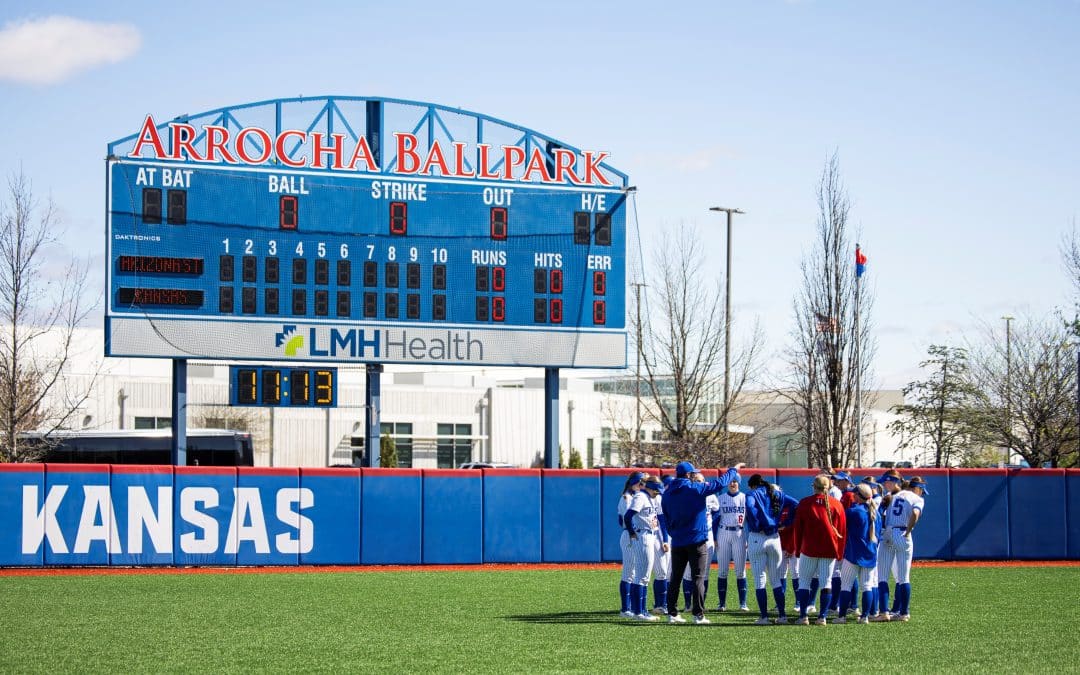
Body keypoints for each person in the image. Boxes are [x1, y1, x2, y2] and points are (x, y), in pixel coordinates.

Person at [661, 461, 744, 624]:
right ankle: (698, 615)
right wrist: (734, 470)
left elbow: (666, 517)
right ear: (688, 475)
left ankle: (672, 613)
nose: (693, 475)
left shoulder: (667, 492)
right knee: (698, 577)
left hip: (678, 541)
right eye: (692, 473)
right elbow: (720, 483)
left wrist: (673, 533)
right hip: (696, 541)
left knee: (675, 577)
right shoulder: (694, 488)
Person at [745, 473, 799, 625]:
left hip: (757, 537)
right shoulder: (777, 493)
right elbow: (796, 504)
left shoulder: (752, 493)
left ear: (753, 485)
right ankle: (782, 616)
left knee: (759, 580)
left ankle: (764, 617)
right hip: (774, 537)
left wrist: (757, 523)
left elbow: (749, 506)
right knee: (776, 579)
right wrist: (786, 522)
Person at [793, 474, 847, 625]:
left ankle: (803, 616)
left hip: (808, 549)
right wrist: (840, 552)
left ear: (813, 487)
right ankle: (822, 617)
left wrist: (797, 550)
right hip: (829, 550)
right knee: (826, 583)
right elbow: (842, 531)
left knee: (804, 582)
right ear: (828, 487)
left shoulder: (805, 503)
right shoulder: (837, 504)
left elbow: (798, 530)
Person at [873, 475, 928, 622]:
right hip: (902, 532)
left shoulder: (893, 495)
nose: (922, 493)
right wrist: (909, 530)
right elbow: (916, 513)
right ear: (918, 488)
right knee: (903, 578)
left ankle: (884, 612)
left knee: (882, 576)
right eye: (922, 491)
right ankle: (904, 613)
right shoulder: (917, 498)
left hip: (888, 533)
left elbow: (880, 515)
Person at [834, 483, 881, 623]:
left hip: (854, 554)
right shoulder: (875, 513)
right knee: (867, 586)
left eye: (855, 494)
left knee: (846, 585)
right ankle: (865, 616)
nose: (852, 495)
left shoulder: (853, 511)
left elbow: (840, 527)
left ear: (859, 496)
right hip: (870, 553)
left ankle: (842, 616)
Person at [624, 475, 667, 621]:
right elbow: (627, 516)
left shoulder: (654, 498)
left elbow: (660, 519)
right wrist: (631, 532)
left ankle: (641, 611)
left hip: (652, 535)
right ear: (649, 487)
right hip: (643, 535)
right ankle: (639, 612)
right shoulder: (640, 497)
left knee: (644, 576)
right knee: (642, 576)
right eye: (656, 490)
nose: (657, 492)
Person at [681, 473, 718, 611]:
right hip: (691, 535)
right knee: (688, 572)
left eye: (701, 480)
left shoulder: (711, 496)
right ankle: (688, 604)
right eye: (696, 480)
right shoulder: (688, 494)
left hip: (707, 535)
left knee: (704, 572)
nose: (699, 482)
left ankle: (701, 604)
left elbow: (717, 511)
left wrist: (710, 523)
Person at [872, 470, 904, 619]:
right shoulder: (908, 496)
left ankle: (885, 610)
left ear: (893, 481)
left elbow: (880, 520)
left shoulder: (889, 497)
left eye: (886, 481)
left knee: (884, 575)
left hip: (887, 536)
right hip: (903, 536)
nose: (884, 484)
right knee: (900, 577)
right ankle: (897, 610)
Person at [714, 477, 748, 611]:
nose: (733, 483)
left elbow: (750, 520)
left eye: (735, 481)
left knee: (740, 571)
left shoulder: (745, 498)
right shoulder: (720, 498)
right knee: (722, 570)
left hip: (739, 533)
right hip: (723, 533)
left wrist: (749, 538)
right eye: (731, 481)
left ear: (739, 483)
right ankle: (722, 604)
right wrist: (715, 537)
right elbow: (716, 519)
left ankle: (743, 604)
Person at [617, 471, 645, 617]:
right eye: (641, 482)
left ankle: (632, 608)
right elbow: (626, 520)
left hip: (632, 534)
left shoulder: (635, 496)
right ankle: (625, 609)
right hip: (629, 534)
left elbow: (619, 520)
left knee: (634, 572)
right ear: (635, 482)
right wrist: (632, 532)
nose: (642, 485)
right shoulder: (627, 498)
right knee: (629, 572)